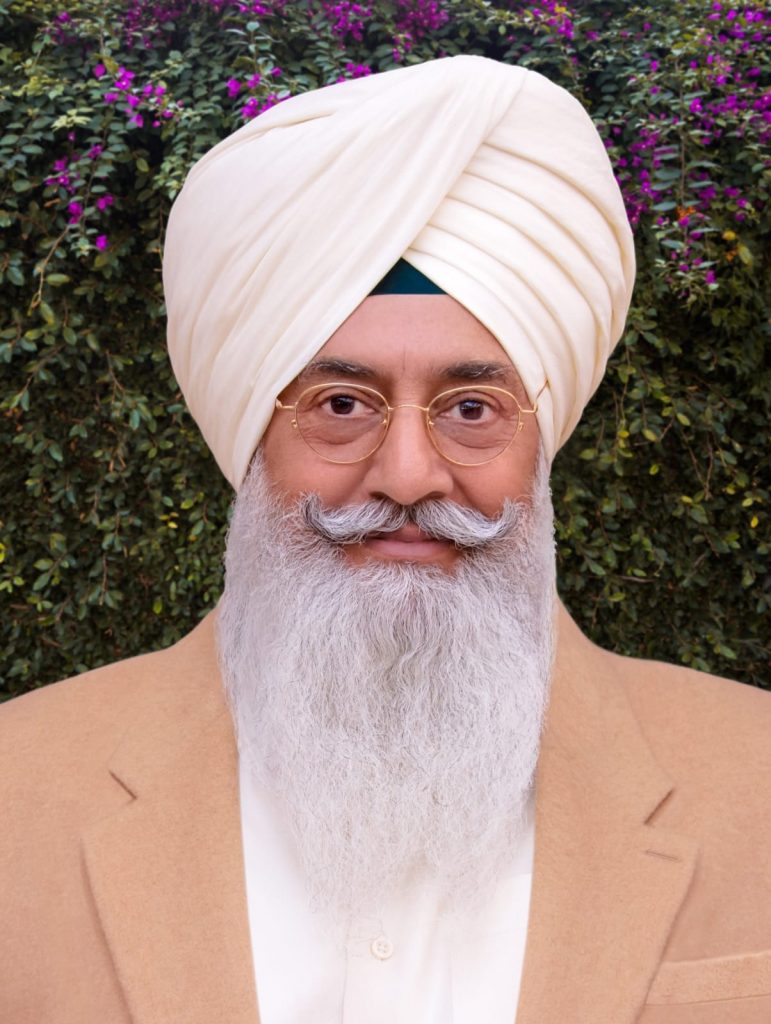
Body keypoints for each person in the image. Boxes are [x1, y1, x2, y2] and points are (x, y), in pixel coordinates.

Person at [1, 55, 770, 1024]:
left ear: (538, 442)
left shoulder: (757, 778)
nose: (408, 475)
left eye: (473, 408)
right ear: (253, 438)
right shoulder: (16, 792)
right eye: (341, 404)